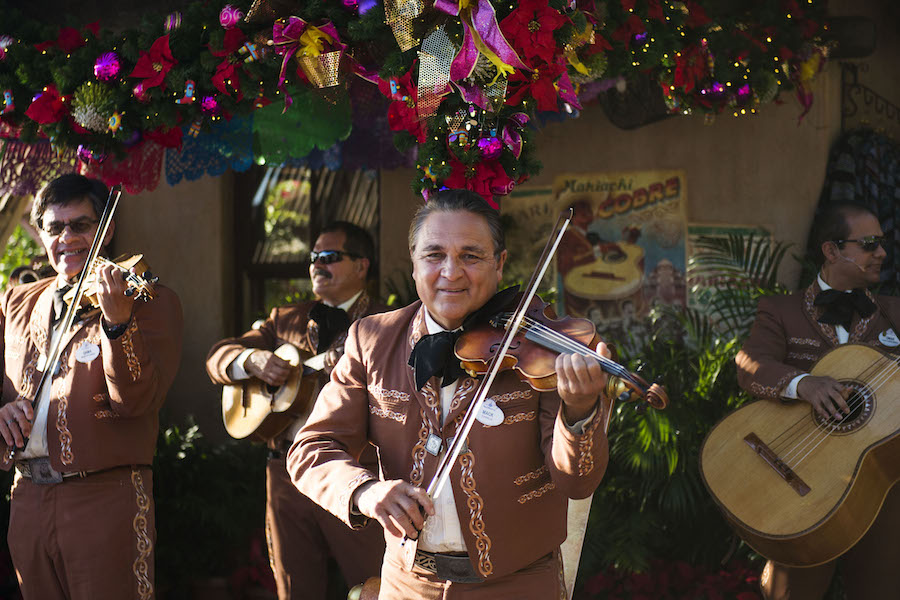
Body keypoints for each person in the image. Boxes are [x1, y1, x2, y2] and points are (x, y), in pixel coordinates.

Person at [289, 189, 613, 598]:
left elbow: (578, 482)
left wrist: (580, 411)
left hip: (517, 584)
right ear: (413, 264)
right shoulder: (372, 340)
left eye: (471, 256)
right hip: (408, 585)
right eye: (434, 255)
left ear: (499, 265)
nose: (451, 271)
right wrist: (366, 491)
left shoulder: (541, 350)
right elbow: (312, 449)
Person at [0, 173, 183, 600]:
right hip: (26, 493)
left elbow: (137, 401)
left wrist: (118, 325)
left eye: (81, 225)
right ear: (41, 235)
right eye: (55, 227)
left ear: (106, 228)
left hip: (105, 494)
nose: (68, 238)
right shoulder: (18, 301)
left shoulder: (149, 301)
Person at [206, 221, 387, 600]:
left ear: (361, 266)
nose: (318, 265)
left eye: (330, 257)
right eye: (314, 257)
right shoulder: (285, 318)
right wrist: (251, 359)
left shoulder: (387, 324)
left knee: (375, 584)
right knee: (294, 587)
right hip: (285, 471)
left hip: (356, 470)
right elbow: (217, 357)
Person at [736, 203, 900, 600]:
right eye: (870, 244)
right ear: (831, 251)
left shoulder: (894, 311)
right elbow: (749, 366)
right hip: (804, 484)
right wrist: (804, 384)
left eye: (882, 244)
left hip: (883, 486)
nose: (881, 253)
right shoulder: (781, 310)